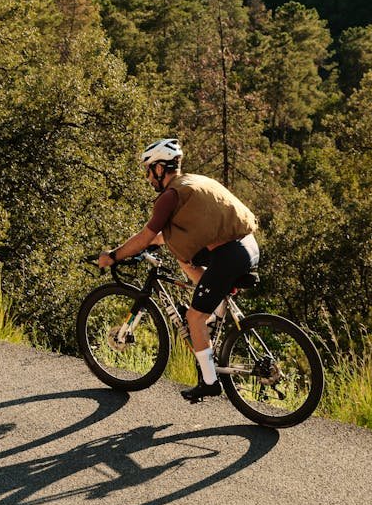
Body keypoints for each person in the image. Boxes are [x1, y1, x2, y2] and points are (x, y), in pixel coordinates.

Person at [97, 138, 259, 404]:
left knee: (194, 318)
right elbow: (166, 237)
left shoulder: (169, 196)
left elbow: (145, 236)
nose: (148, 177)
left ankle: (209, 382)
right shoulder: (192, 182)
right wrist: (147, 244)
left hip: (230, 255)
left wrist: (113, 256)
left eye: (149, 170)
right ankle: (214, 308)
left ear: (160, 169)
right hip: (247, 245)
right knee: (185, 260)